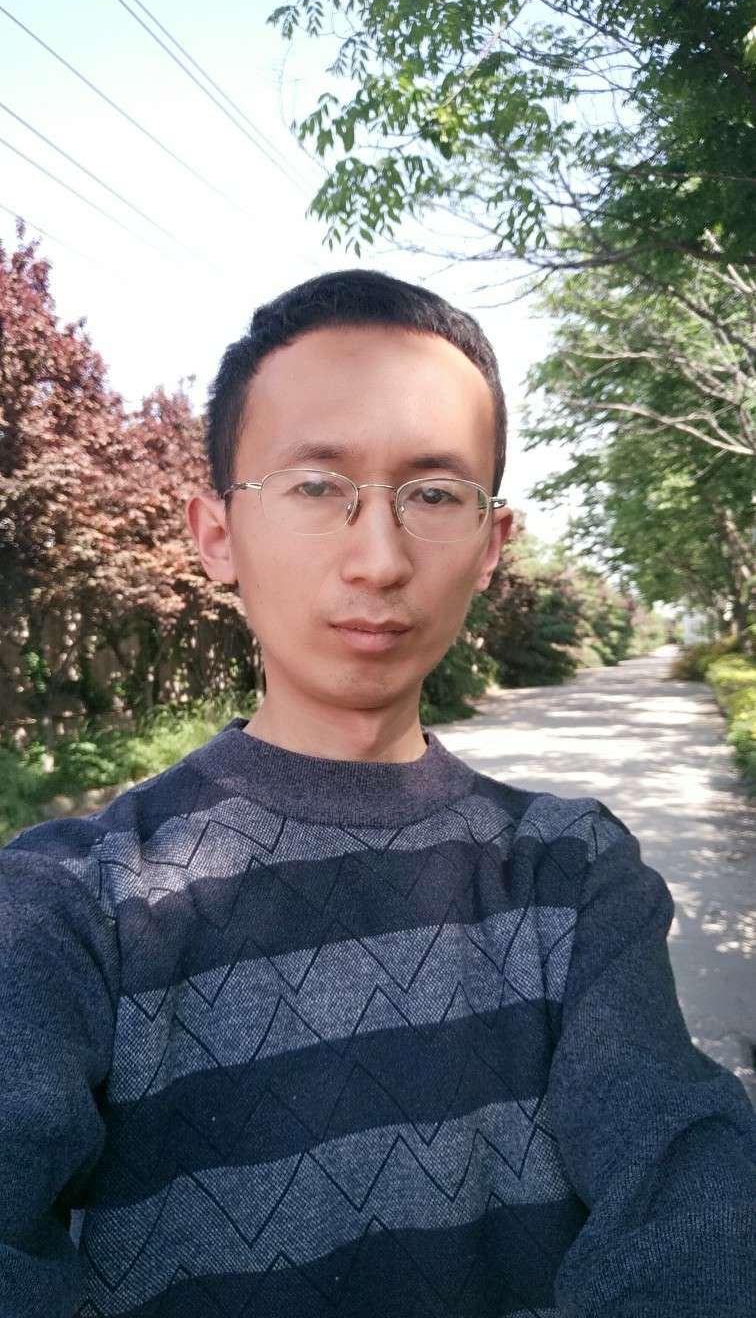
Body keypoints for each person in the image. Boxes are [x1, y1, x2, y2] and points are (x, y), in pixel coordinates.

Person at [1, 269, 754, 1318]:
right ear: (216, 534)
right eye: (317, 486)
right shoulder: (71, 907)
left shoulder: (573, 876)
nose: (380, 558)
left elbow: (686, 1182)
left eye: (434, 495)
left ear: (491, 545)